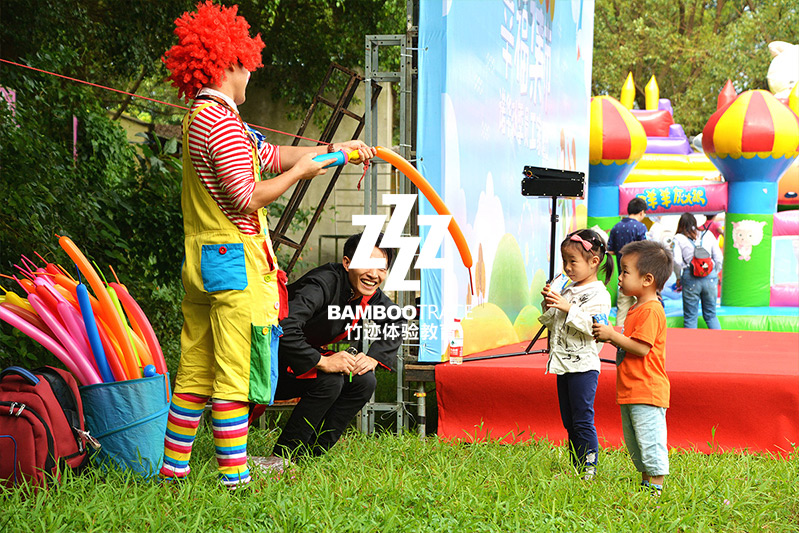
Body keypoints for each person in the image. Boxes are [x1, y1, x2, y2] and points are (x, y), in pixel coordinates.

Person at [158, 2, 376, 489]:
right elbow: (248, 195)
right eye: (247, 64)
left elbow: (273, 155)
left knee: (196, 372)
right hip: (237, 267)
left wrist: (336, 153)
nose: (251, 74)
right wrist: (302, 174)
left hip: (204, 264)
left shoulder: (205, 117)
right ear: (228, 62)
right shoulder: (222, 122)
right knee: (237, 375)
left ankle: (172, 474)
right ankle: (235, 479)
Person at [250, 232, 404, 472]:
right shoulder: (322, 284)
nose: (374, 275)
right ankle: (281, 457)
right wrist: (322, 361)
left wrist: (374, 357)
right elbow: (284, 327)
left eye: (381, 269)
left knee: (364, 381)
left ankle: (311, 454)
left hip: (299, 361)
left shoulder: (367, 292)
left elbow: (396, 319)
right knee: (329, 380)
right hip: (267, 363)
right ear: (347, 263)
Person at [591, 240, 673, 496]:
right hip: (631, 389)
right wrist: (610, 336)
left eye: (625, 271)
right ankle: (646, 483)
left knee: (650, 440)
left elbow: (641, 348)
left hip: (647, 389)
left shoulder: (651, 310)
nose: (620, 277)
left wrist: (612, 336)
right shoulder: (638, 308)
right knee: (636, 442)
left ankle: (655, 489)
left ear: (647, 279)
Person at [538, 229, 613, 480]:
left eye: (573, 261)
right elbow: (552, 322)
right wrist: (549, 302)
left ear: (594, 262)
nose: (567, 267)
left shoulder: (600, 294)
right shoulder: (568, 289)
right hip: (563, 363)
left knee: (582, 419)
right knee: (569, 421)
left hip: (584, 366)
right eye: (565, 261)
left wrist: (568, 307)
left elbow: (595, 328)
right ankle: (576, 466)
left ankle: (589, 468)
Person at [673, 213, 723, 329]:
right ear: (695, 223)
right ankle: (719, 339)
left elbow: (677, 261)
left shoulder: (679, 238)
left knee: (690, 317)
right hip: (710, 278)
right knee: (711, 316)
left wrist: (678, 277)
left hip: (690, 278)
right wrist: (714, 273)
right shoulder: (708, 234)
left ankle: (691, 341)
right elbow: (719, 258)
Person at [607, 197, 649, 326]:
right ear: (641, 212)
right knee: (640, 308)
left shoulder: (616, 227)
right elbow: (645, 251)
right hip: (639, 276)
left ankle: (618, 335)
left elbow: (611, 250)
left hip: (623, 276)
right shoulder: (640, 227)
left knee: (622, 309)